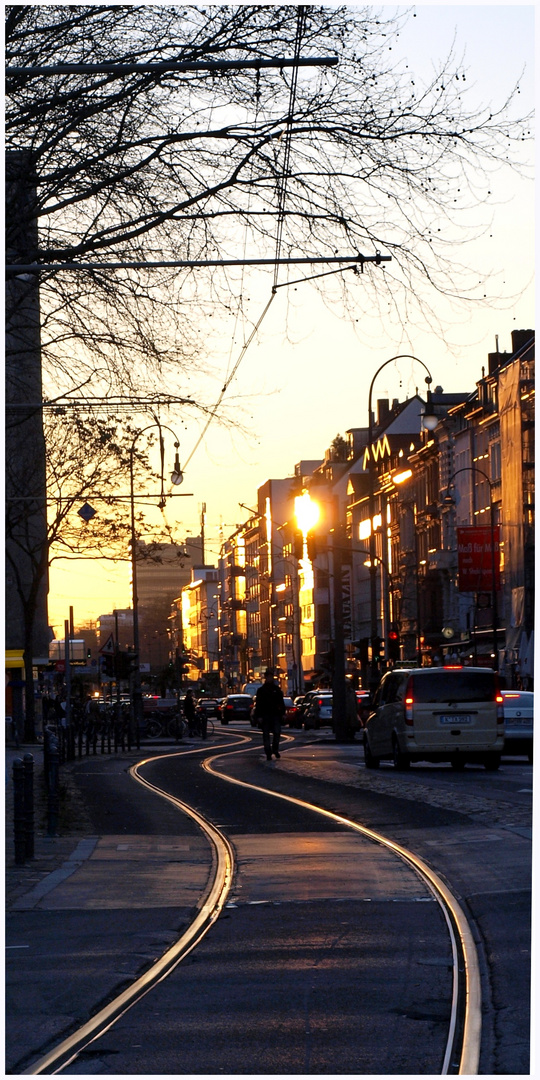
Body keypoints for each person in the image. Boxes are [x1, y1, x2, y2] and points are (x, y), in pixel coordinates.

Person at [253, 668, 285, 761]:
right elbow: (258, 704)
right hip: (265, 715)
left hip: (275, 715)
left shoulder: (276, 689)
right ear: (266, 678)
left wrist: (282, 713)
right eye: (268, 677)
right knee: (266, 735)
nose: (270, 678)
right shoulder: (261, 690)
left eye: (271, 677)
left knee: (277, 733)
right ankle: (268, 752)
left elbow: (281, 702)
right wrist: (258, 716)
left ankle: (275, 749)